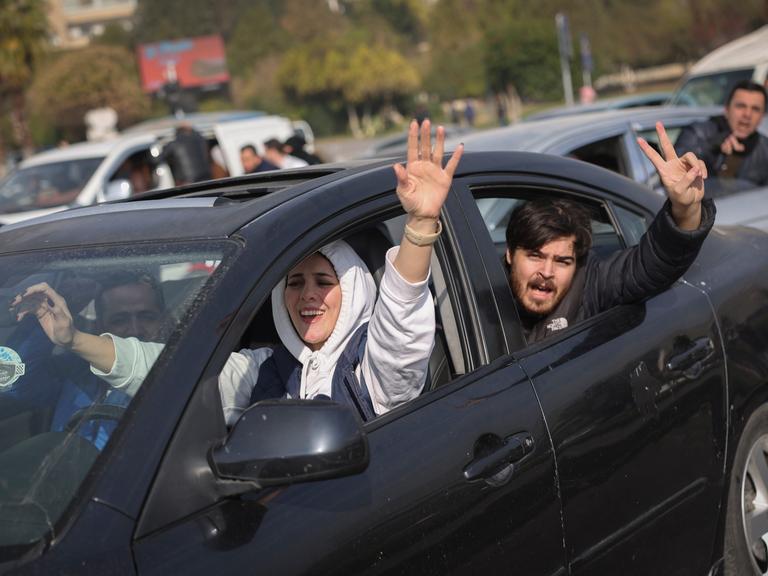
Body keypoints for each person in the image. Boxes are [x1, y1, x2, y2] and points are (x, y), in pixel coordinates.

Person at [14, 120, 464, 427]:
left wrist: (421, 226)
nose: (308, 296)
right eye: (295, 282)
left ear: (353, 289)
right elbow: (163, 373)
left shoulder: (373, 370)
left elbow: (401, 329)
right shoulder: (265, 369)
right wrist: (75, 340)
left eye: (324, 283)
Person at [505, 122, 715, 343]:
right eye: (535, 256)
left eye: (562, 261)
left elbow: (652, 263)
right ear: (509, 254)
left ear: (577, 262)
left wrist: (685, 209)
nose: (547, 272)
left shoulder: (589, 285)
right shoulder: (475, 290)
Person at [7, 271, 167, 448]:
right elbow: (12, 381)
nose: (135, 330)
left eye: (147, 317)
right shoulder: (75, 371)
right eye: (119, 320)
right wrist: (44, 318)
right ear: (100, 326)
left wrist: (73, 339)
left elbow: (141, 363)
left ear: (164, 320)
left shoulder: (183, 368)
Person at [674, 80, 768, 187]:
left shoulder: (765, 148)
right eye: (741, 106)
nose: (747, 114)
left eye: (755, 109)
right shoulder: (697, 132)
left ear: (762, 116)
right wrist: (711, 147)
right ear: (727, 110)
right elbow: (674, 169)